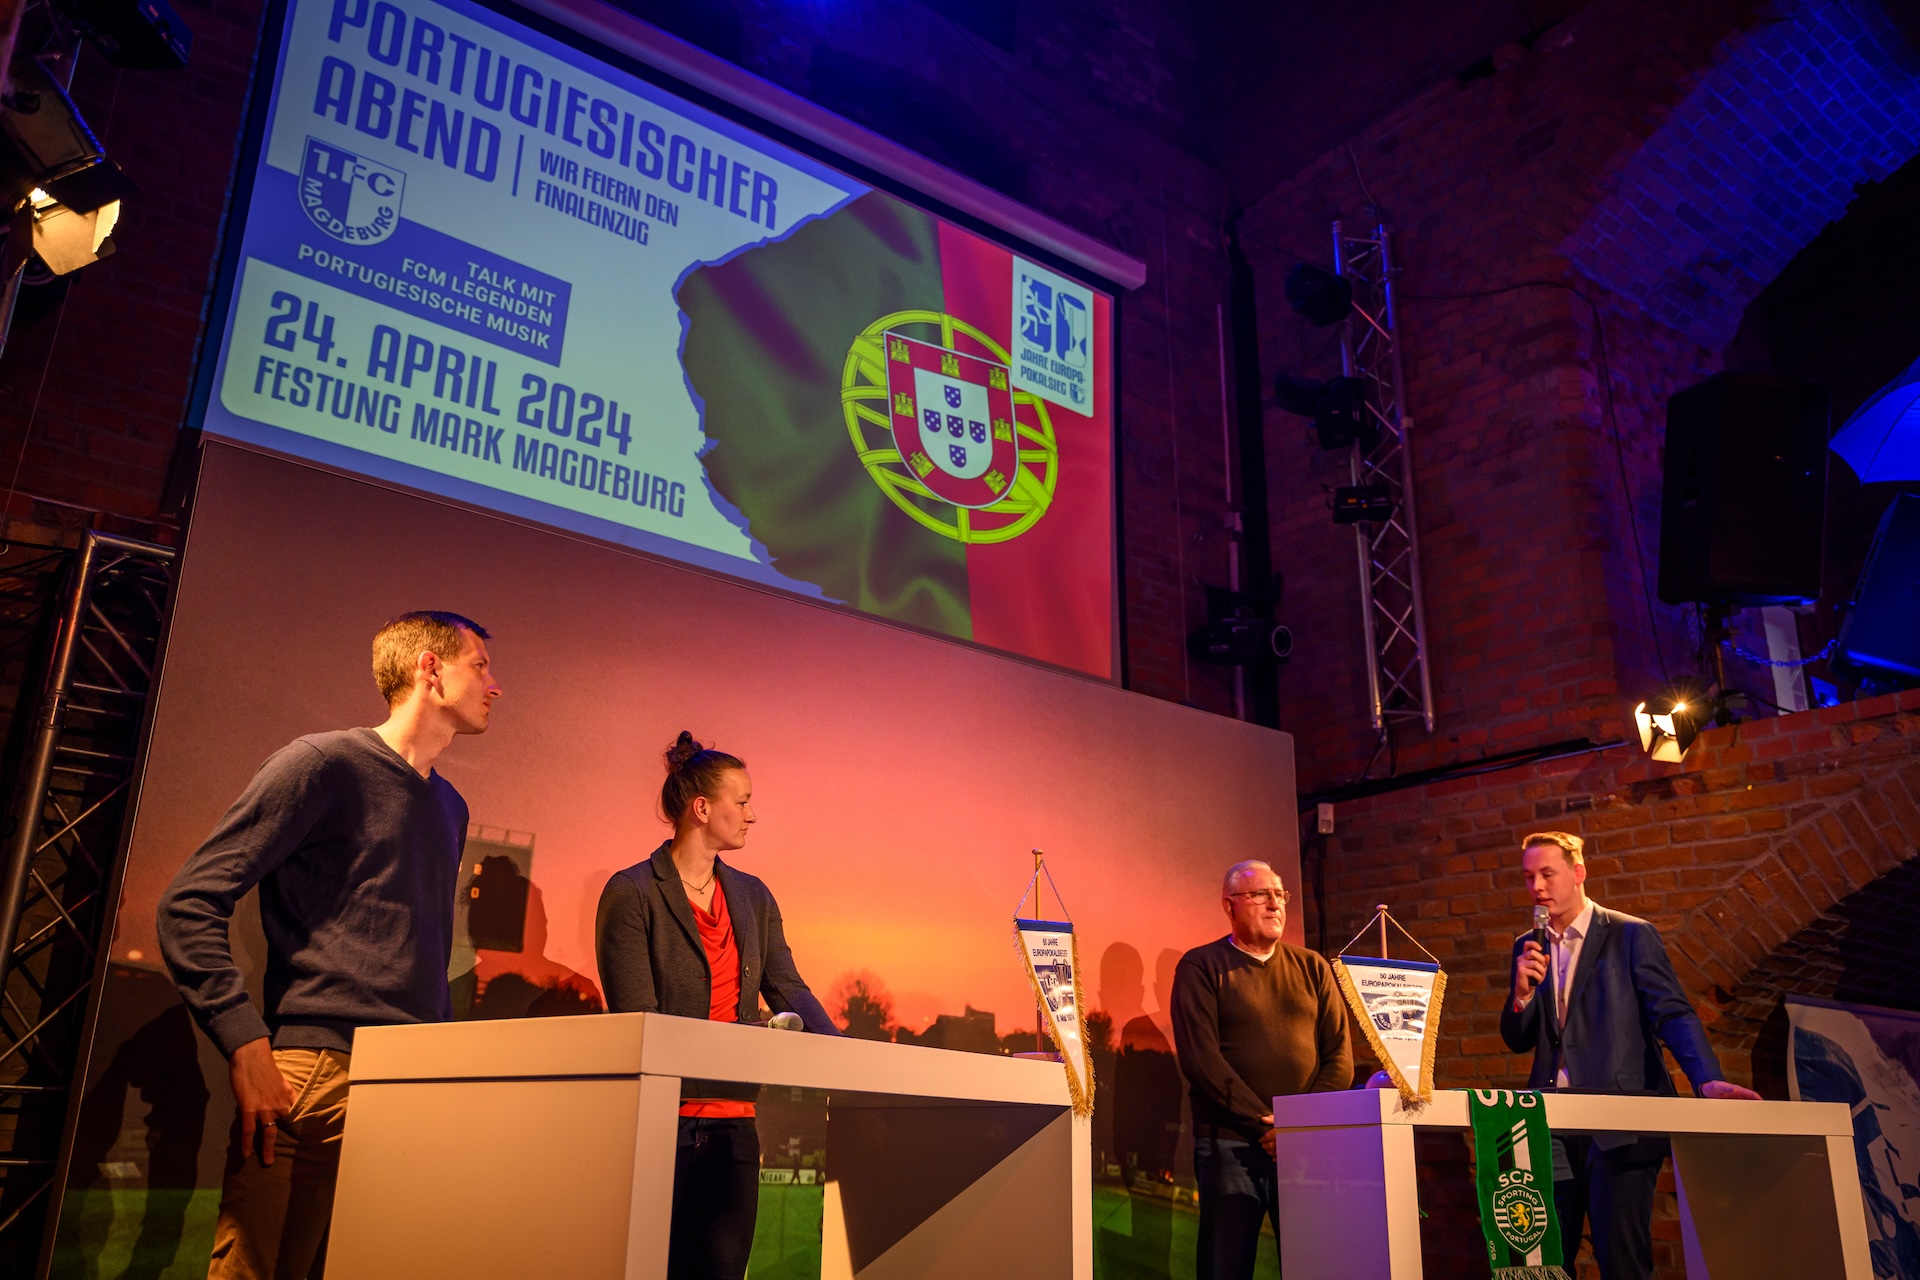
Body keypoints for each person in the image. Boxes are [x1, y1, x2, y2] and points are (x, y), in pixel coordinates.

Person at [158, 611, 501, 1279]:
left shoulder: (450, 806)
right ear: (429, 669)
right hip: (312, 1077)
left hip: (409, 1083)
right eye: (480, 665)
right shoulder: (321, 765)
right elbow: (189, 902)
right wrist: (244, 1040)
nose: (495, 685)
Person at [596, 732, 836, 1280]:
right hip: (661, 1129)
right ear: (702, 809)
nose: (753, 815)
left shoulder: (753, 896)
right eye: (743, 801)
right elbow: (640, 1022)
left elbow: (788, 986)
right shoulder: (632, 893)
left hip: (735, 1129)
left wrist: (846, 1056)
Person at [1498, 830, 1760, 1280]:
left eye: (1547, 874)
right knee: (1544, 1261)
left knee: (1621, 1260)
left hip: (1620, 1122)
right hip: (1551, 1122)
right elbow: (1520, 1039)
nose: (1537, 888)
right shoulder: (1528, 946)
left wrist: (1706, 1079)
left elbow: (1673, 1013)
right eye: (1528, 878)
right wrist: (1521, 995)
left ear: (1578, 873)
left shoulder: (1630, 935)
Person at [1171, 860, 1352, 1280]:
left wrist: (1298, 1126)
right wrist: (1267, 1126)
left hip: (1307, 1148)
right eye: (1260, 894)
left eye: (1280, 894)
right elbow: (1202, 1061)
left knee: (1315, 1266)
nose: (1275, 903)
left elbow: (1339, 1060)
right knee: (1226, 1268)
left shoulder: (1314, 968)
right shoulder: (1201, 967)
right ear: (1229, 906)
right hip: (1232, 1147)